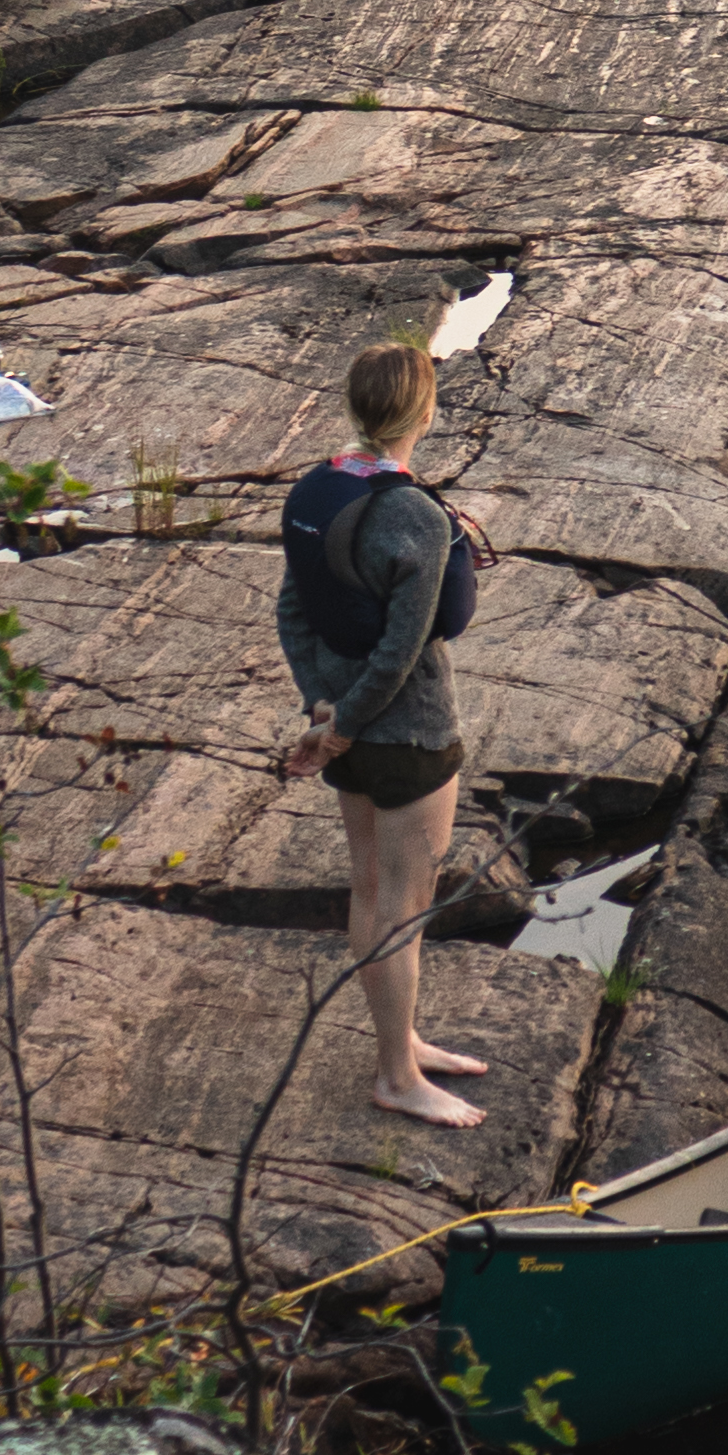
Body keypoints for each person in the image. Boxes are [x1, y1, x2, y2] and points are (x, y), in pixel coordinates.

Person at [274, 338, 488, 1134]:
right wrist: (344, 725)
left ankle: (403, 1042)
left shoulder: (316, 488)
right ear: (425, 412)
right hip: (410, 734)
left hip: (346, 723)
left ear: (355, 406)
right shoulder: (414, 515)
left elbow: (291, 611)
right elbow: (404, 649)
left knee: (372, 891)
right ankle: (397, 1076)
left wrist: (324, 711)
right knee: (404, 904)